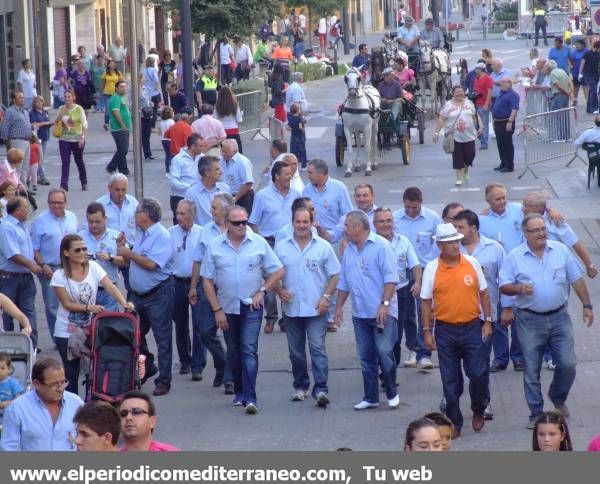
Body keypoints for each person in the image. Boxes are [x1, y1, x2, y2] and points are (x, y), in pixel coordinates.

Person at [500, 213, 593, 428]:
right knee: (531, 368)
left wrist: (587, 306)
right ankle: (536, 413)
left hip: (560, 317)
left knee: (568, 363)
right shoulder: (514, 257)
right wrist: (518, 288)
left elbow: (576, 279)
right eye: (536, 230)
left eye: (543, 228)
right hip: (529, 320)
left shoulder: (560, 251)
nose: (541, 233)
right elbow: (504, 285)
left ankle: (557, 396)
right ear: (525, 233)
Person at [201, 206, 284, 414]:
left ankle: (250, 396)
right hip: (227, 307)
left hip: (251, 306)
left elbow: (278, 270)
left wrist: (263, 291)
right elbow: (207, 281)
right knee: (234, 352)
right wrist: (217, 310)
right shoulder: (215, 246)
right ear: (227, 223)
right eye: (236, 223)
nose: (241, 226)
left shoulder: (258, 242)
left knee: (248, 350)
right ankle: (239, 390)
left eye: (244, 222)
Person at [421, 223, 492, 438]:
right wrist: (427, 331)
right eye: (449, 242)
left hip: (472, 327)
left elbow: (484, 293)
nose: (454, 245)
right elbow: (425, 302)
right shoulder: (432, 268)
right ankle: (454, 421)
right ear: (440, 245)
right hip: (445, 330)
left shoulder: (472, 262)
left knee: (478, 374)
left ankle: (478, 408)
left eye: (456, 240)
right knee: (450, 380)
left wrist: (488, 320)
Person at [51, 234, 133, 396]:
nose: (83, 252)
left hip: (90, 330)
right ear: (66, 253)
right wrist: (90, 307)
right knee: (71, 374)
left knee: (94, 372)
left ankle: (92, 407)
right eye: (78, 249)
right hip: (66, 332)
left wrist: (124, 303)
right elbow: (67, 304)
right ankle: (71, 410)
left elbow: (111, 287)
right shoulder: (59, 276)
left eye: (84, 249)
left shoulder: (94, 267)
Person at [334, 211, 400, 410]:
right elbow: (344, 282)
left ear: (357, 227)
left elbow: (391, 279)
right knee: (365, 355)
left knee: (384, 350)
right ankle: (370, 397)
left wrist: (384, 304)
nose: (344, 229)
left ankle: (391, 391)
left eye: (347, 225)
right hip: (360, 313)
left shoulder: (382, 247)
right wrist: (338, 309)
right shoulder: (349, 250)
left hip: (382, 313)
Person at [275, 205, 340, 406]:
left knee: (317, 347)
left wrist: (326, 297)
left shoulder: (323, 246)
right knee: (296, 351)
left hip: (316, 308)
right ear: (292, 223)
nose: (302, 225)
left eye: (305, 221)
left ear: (312, 223)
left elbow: (335, 275)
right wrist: (279, 290)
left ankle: (320, 389)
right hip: (291, 308)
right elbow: (272, 273)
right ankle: (300, 386)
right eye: (298, 221)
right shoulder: (282, 246)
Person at [117, 198, 174, 397]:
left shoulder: (162, 236)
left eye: (138, 211)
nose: (135, 215)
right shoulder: (140, 234)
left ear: (147, 215)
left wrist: (129, 254)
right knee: (133, 333)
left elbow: (151, 264)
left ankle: (164, 380)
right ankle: (147, 364)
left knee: (162, 337)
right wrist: (123, 249)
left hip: (158, 293)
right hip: (136, 295)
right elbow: (128, 261)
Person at [249, 160, 301, 333]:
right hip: (269, 242)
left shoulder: (296, 194)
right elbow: (254, 222)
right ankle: (270, 318)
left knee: (289, 279)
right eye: (287, 174)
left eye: (291, 173)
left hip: (290, 242)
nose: (290, 176)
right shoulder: (262, 196)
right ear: (276, 176)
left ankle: (287, 318)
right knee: (270, 282)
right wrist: (258, 245)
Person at [392, 187, 441, 370]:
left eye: (415, 207)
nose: (411, 211)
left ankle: (424, 353)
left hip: (424, 269)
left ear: (421, 202)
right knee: (406, 314)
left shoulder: (432, 218)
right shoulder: (395, 218)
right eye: (408, 207)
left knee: (425, 311)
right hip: (402, 271)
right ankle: (413, 347)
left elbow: (436, 247)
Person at [189, 193, 233, 392]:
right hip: (207, 287)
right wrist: (193, 286)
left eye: (214, 208)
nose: (211, 211)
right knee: (205, 330)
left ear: (226, 210)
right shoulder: (206, 230)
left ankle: (230, 379)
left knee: (231, 334)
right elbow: (198, 260)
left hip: (230, 289)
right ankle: (221, 361)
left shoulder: (238, 228)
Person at [373, 207, 421, 376]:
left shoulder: (403, 241)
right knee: (378, 333)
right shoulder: (369, 243)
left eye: (389, 220)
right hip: (377, 295)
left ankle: (389, 374)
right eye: (381, 221)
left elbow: (415, 265)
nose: (386, 224)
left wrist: (417, 283)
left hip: (401, 293)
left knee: (395, 336)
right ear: (374, 224)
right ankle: (381, 367)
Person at [1, 357, 83, 451]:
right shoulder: (16, 409)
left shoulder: (76, 403)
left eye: (63, 382)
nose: (60, 388)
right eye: (54, 385)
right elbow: (8, 448)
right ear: (37, 384)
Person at [32, 189, 78, 345]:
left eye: (59, 202)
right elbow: (35, 249)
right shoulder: (40, 221)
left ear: (66, 202)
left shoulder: (72, 217)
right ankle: (58, 340)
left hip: (71, 267)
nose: (56, 206)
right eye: (53, 202)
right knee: (52, 306)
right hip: (50, 268)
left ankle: (73, 336)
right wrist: (43, 265)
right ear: (48, 203)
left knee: (72, 301)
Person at [169, 200, 207, 381]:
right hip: (176, 283)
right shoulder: (170, 233)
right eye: (177, 213)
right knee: (181, 324)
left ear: (192, 214)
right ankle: (185, 359)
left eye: (183, 214)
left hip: (198, 284)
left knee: (199, 324)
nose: (178, 217)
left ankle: (198, 365)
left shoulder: (202, 234)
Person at [78, 202, 125, 312]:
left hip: (109, 290)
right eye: (90, 221)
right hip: (86, 290)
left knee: (109, 324)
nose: (93, 225)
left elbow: (125, 261)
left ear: (105, 219)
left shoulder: (116, 236)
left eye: (97, 221)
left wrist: (111, 258)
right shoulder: (79, 237)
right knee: (88, 326)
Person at [433, 85, 482, 186]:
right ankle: (459, 178)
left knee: (470, 155)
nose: (460, 93)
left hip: (469, 135)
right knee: (457, 157)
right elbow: (442, 119)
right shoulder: (448, 105)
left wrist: (481, 126)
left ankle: (466, 169)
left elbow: (475, 115)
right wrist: (436, 132)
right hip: (455, 136)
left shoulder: (469, 103)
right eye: (457, 92)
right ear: (453, 94)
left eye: (461, 91)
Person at [167, 133, 205, 225]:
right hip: (180, 197)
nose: (202, 148)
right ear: (192, 146)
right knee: (180, 224)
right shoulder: (178, 160)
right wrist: (190, 187)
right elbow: (173, 181)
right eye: (200, 146)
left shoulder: (202, 157)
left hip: (196, 196)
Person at [54, 90, 88, 191]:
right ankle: (64, 185)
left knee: (79, 161)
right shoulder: (61, 108)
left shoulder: (79, 109)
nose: (67, 99)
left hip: (77, 139)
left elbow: (84, 124)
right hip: (64, 139)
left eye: (69, 97)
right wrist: (60, 115)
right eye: (65, 97)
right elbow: (56, 121)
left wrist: (82, 138)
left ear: (73, 98)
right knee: (65, 162)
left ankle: (84, 181)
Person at [185, 155, 230, 226]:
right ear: (207, 173)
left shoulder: (225, 188)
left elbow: (231, 214)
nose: (221, 172)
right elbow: (188, 219)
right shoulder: (192, 193)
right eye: (217, 169)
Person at [491, 77, 520, 173]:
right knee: (500, 144)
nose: (501, 84)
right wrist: (494, 121)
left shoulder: (513, 95)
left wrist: (510, 122)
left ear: (509, 83)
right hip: (498, 122)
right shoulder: (501, 93)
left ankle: (509, 165)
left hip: (506, 122)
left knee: (507, 144)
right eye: (500, 82)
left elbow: (514, 109)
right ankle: (503, 163)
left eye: (503, 83)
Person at [220, 139, 254, 215]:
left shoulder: (242, 162)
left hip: (242, 197)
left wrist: (235, 199)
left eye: (225, 152)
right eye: (222, 151)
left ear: (234, 151)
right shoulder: (221, 160)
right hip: (227, 196)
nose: (223, 154)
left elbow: (248, 183)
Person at [0, 92, 33, 171]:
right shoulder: (10, 111)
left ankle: (22, 183)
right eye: (20, 98)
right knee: (17, 167)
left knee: (25, 168)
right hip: (17, 141)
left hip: (27, 141)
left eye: (23, 97)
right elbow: (5, 127)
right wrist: (7, 144)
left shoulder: (25, 112)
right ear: (14, 100)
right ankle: (15, 183)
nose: (22, 99)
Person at [106, 80, 131, 175]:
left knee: (121, 149)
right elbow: (116, 112)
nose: (124, 88)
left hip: (124, 128)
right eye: (121, 87)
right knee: (123, 149)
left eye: (125, 86)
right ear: (116, 88)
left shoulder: (122, 97)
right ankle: (111, 166)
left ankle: (123, 169)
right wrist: (122, 124)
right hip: (119, 128)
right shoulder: (115, 98)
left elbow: (125, 110)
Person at [29, 96, 51, 186]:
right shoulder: (32, 113)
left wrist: (49, 124)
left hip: (45, 136)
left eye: (41, 101)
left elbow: (48, 122)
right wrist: (46, 123)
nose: (40, 103)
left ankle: (36, 175)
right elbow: (34, 124)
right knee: (40, 157)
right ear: (34, 103)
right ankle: (43, 176)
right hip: (37, 138)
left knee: (42, 157)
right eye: (37, 102)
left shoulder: (45, 112)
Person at [214, 86, 243, 153]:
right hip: (234, 130)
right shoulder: (234, 104)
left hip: (222, 132)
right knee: (237, 153)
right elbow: (239, 119)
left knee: (224, 153)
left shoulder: (217, 106)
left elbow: (215, 119)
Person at [473, 63, 493, 150]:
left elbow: (489, 92)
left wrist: (486, 103)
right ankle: (482, 139)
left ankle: (484, 142)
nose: (475, 70)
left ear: (480, 69)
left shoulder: (487, 78)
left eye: (476, 68)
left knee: (484, 124)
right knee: (478, 123)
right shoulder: (477, 78)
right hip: (477, 103)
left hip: (483, 104)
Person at [101, 60, 124, 130]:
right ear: (108, 65)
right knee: (108, 109)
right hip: (107, 93)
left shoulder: (118, 73)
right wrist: (101, 91)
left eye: (114, 64)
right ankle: (106, 123)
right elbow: (102, 83)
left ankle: (117, 122)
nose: (113, 65)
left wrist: (122, 91)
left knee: (116, 109)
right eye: (111, 64)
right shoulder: (105, 73)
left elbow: (122, 82)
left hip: (116, 94)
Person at [579, 40, 600, 114]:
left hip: (596, 75)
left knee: (592, 91)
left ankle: (589, 108)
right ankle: (594, 108)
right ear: (597, 47)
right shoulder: (587, 53)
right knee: (594, 90)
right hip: (587, 74)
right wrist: (580, 73)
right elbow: (582, 63)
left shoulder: (598, 54)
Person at [287, 103, 307, 170]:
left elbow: (288, 128)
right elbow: (300, 127)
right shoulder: (299, 118)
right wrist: (303, 129)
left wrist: (292, 128)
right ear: (298, 110)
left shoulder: (291, 118)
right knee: (302, 151)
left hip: (293, 136)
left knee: (293, 151)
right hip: (300, 136)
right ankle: (303, 166)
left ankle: (294, 166)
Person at [142, 57, 162, 122]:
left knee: (148, 108)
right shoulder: (154, 70)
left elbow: (142, 81)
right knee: (155, 109)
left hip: (147, 93)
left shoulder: (144, 70)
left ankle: (148, 122)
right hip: (154, 93)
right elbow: (156, 80)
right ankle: (153, 124)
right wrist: (156, 87)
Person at [570, 39, 588, 105]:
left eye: (578, 44)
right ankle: (575, 100)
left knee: (585, 87)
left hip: (584, 73)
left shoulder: (587, 51)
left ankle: (587, 101)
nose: (576, 46)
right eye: (576, 45)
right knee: (575, 87)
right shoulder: (574, 53)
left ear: (583, 45)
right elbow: (570, 61)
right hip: (575, 73)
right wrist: (571, 67)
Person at [159, 106, 175, 173]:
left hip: (163, 140)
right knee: (172, 155)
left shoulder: (162, 122)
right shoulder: (171, 122)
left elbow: (160, 131)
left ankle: (167, 169)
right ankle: (172, 168)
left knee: (167, 155)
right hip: (170, 140)